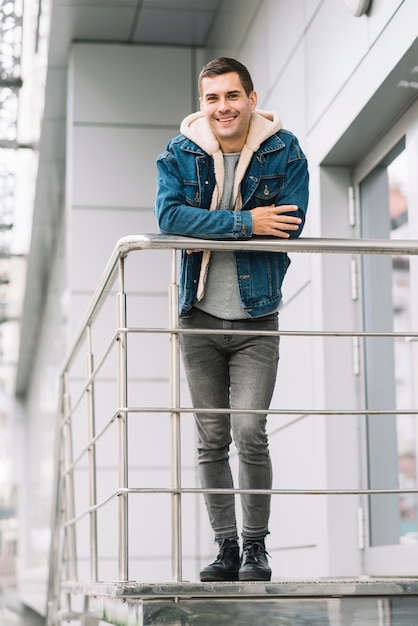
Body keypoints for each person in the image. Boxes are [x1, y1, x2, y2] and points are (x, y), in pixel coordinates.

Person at [155, 57, 309, 582]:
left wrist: (224, 226)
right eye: (212, 98)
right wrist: (246, 222)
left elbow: (288, 223)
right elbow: (169, 217)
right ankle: (225, 548)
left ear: (251, 98)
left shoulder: (282, 150)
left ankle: (255, 547)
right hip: (197, 316)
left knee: (250, 431)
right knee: (211, 437)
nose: (223, 107)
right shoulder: (180, 151)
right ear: (203, 104)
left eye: (232, 96)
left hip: (255, 316)